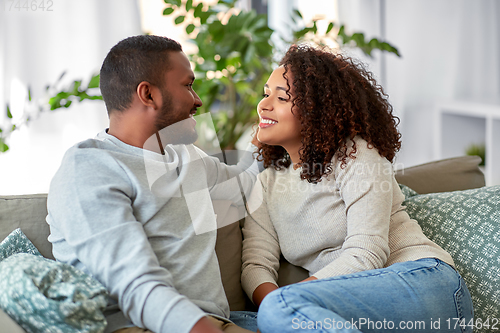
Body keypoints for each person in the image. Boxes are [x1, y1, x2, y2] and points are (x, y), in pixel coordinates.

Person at [241, 44, 474, 333]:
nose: (263, 105)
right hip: (347, 305)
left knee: (279, 311)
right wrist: (275, 304)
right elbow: (256, 264)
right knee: (235, 320)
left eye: (281, 97)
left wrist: (288, 300)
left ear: (318, 108)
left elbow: (367, 254)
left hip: (424, 282)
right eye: (266, 94)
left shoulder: (355, 155)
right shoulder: (264, 185)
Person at [46, 35, 259, 333]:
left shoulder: (188, 158)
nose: (198, 100)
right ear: (148, 94)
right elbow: (136, 286)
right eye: (187, 85)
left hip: (217, 323)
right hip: (138, 326)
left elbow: (246, 184)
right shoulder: (89, 168)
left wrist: (270, 136)